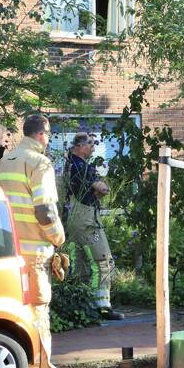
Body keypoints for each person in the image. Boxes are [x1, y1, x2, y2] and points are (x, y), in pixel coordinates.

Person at [0, 114, 67, 368]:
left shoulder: (4, 161)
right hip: (35, 252)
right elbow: (45, 210)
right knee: (39, 309)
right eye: (48, 135)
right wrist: (58, 238)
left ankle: (21, 366)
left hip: (7, 250)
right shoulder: (40, 163)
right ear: (42, 134)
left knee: (15, 309)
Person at [64, 132, 124, 321]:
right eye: (90, 143)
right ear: (79, 146)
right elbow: (103, 189)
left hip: (73, 219)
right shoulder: (81, 167)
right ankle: (102, 307)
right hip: (87, 221)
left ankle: (82, 306)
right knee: (103, 261)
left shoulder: (68, 165)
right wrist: (101, 187)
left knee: (79, 264)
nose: (93, 147)